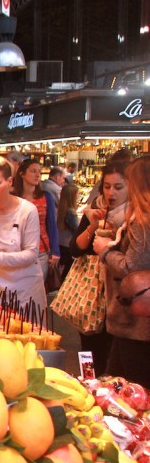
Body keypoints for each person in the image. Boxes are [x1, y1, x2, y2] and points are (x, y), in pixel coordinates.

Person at [68, 162, 129, 373]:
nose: (111, 192)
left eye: (118, 187)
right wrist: (93, 226)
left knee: (116, 361)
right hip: (90, 293)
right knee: (90, 355)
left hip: (120, 298)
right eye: (107, 186)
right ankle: (89, 391)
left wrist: (111, 243)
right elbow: (75, 249)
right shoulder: (96, 207)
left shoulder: (135, 218)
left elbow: (131, 264)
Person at [93, 157, 150, 381]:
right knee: (116, 376)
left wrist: (105, 251)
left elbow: (132, 267)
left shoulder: (142, 221)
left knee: (130, 382)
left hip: (136, 319)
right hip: (134, 320)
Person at [0, 157, 47, 310]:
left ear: (10, 181)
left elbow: (31, 253)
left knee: (27, 331)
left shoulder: (27, 210)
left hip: (25, 289)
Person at [14, 159, 60, 282]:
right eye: (33, 171)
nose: (37, 175)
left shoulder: (46, 197)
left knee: (36, 287)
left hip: (41, 250)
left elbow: (51, 225)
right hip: (17, 250)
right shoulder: (14, 197)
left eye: (39, 172)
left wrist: (55, 250)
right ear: (22, 174)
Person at [57, 183, 80, 275]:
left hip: (61, 243)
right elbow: (77, 229)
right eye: (78, 193)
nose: (79, 196)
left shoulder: (61, 209)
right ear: (73, 196)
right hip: (68, 245)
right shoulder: (71, 212)